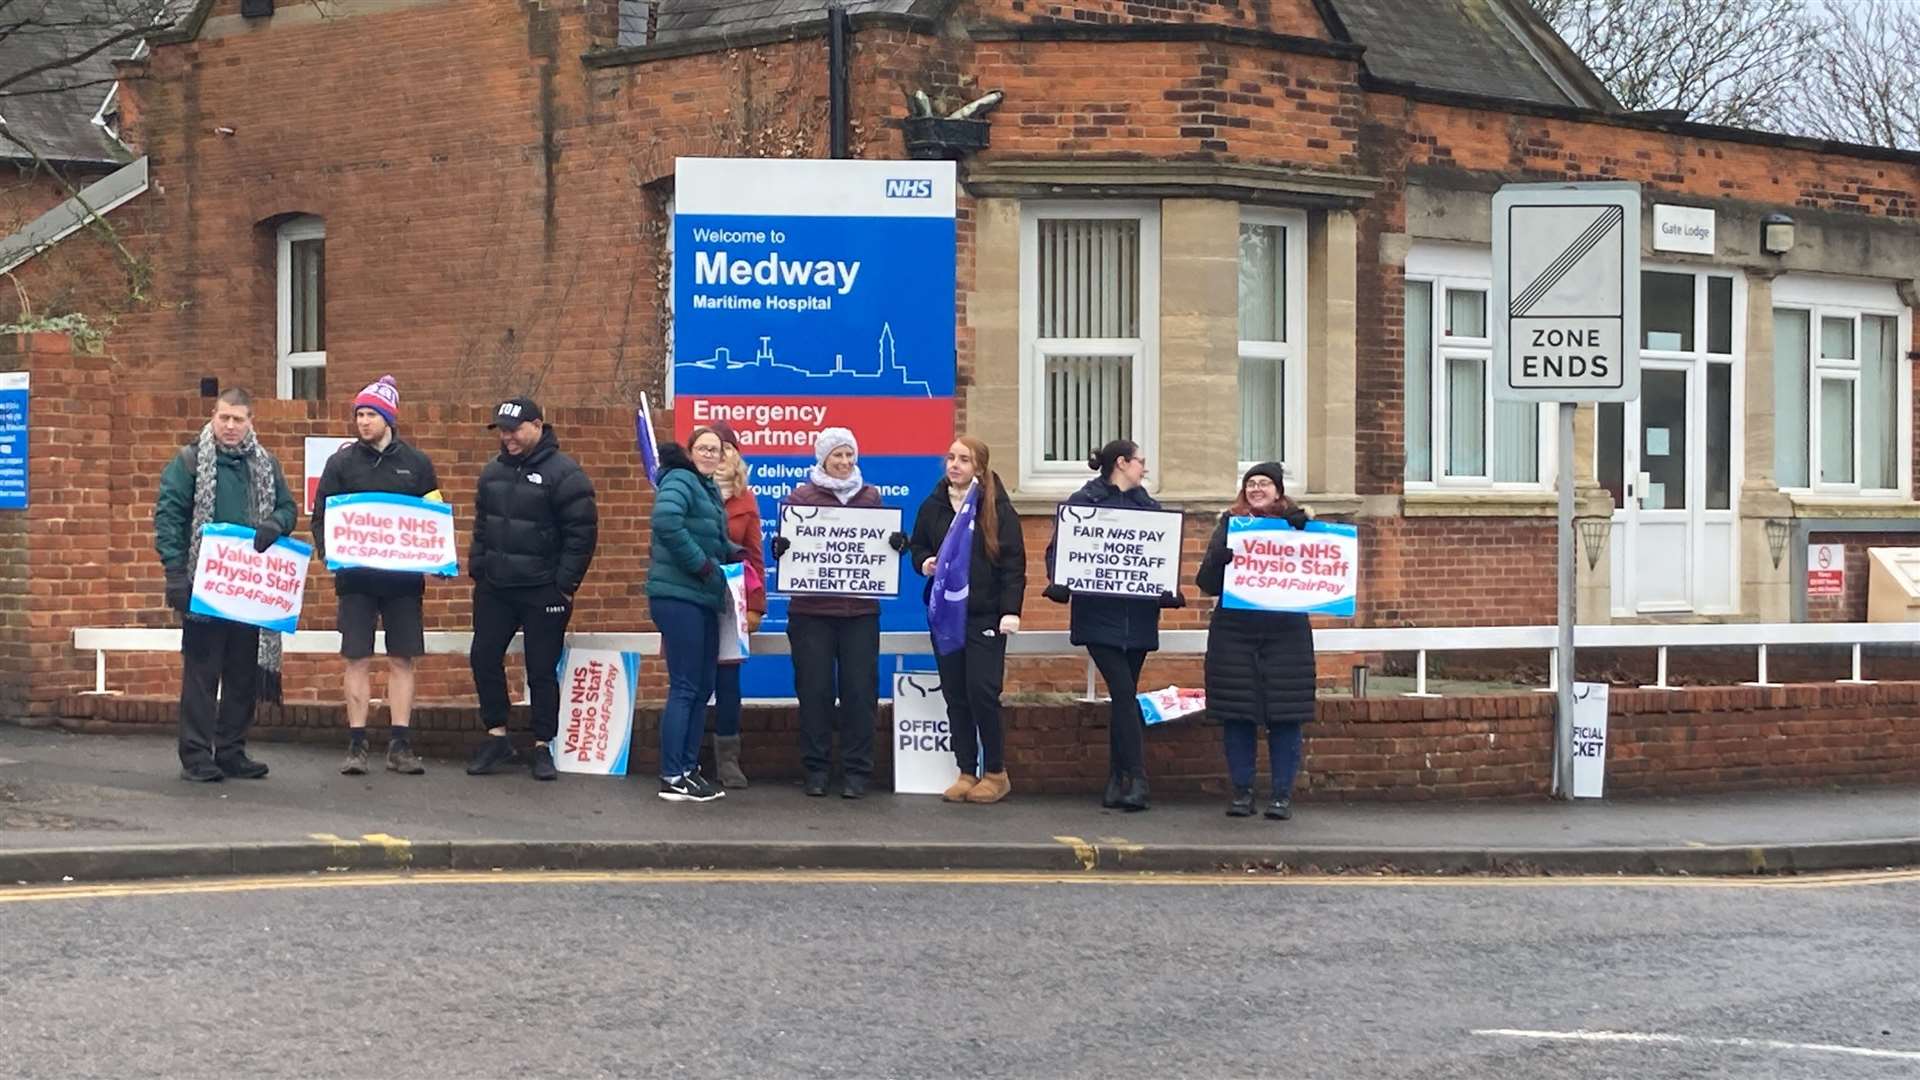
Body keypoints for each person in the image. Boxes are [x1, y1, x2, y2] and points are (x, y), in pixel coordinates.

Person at [152, 388, 297, 782]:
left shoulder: (266, 464)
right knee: (202, 673)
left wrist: (276, 524)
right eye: (224, 418)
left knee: (242, 674)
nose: (230, 426)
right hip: (204, 585)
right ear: (213, 416)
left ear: (251, 421)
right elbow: (169, 516)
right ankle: (196, 755)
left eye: (238, 419)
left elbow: (288, 508)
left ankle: (232, 750)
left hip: (248, 589)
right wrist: (176, 573)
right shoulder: (189, 462)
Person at [312, 376, 441, 777]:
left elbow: (433, 518)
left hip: (403, 583)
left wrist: (438, 558)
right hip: (357, 580)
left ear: (389, 417)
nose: (363, 422)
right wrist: (331, 555)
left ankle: (400, 745)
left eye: (370, 414)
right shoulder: (341, 463)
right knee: (357, 658)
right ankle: (356, 744)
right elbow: (322, 518)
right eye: (359, 414)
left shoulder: (418, 464)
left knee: (402, 659)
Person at [1043, 439, 1180, 812]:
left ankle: (1116, 780)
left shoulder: (1148, 508)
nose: (1145, 469)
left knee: (1125, 696)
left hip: (1137, 617)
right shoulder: (1083, 505)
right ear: (1122, 463)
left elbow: (1157, 555)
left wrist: (1168, 587)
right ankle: (1137, 779)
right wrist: (1059, 579)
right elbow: (1058, 551)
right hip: (1099, 617)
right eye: (1141, 462)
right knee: (1124, 694)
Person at [465, 397, 599, 782]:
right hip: (496, 587)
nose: (507, 437)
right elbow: (481, 527)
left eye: (514, 429)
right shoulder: (491, 473)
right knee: (483, 657)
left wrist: (564, 586)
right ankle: (496, 736)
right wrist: (480, 568)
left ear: (538, 426)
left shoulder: (565, 474)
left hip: (544, 590)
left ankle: (543, 745)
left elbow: (582, 534)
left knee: (541, 670)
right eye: (502, 430)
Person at [770, 427, 908, 799]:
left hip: (860, 612)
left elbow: (880, 552)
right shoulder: (801, 497)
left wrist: (897, 545)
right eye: (837, 456)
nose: (845, 462)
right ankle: (815, 769)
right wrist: (781, 549)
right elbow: (789, 550)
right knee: (814, 692)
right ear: (823, 459)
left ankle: (857, 771)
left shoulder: (871, 497)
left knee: (859, 693)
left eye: (850, 455)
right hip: (811, 612)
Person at [908, 436, 1025, 805]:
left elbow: (1013, 564)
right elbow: (918, 546)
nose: (954, 465)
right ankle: (965, 770)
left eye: (963, 459)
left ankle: (996, 772)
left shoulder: (997, 509)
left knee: (982, 691)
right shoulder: (933, 506)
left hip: (985, 615)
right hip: (945, 615)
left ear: (979, 467)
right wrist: (923, 562)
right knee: (955, 694)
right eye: (951, 458)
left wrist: (1010, 610)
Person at [1196, 462, 1316, 820]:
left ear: (1278, 491)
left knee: (1285, 716)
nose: (1256, 488)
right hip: (1235, 634)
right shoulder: (1229, 525)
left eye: (1264, 483)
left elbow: (1324, 570)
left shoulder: (1302, 525)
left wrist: (1303, 533)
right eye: (1250, 483)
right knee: (1237, 715)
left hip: (1286, 635)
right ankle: (1242, 793)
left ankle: (1281, 795)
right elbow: (1206, 583)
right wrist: (1220, 559)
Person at [645, 427, 740, 803]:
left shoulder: (706, 488)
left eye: (715, 450)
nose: (709, 454)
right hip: (678, 596)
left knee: (702, 687)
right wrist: (702, 566)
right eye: (702, 448)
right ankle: (672, 774)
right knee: (686, 686)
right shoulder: (682, 480)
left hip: (701, 597)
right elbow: (666, 523)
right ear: (690, 452)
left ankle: (687, 769)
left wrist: (735, 553)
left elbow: (710, 536)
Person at [709, 422, 765, 789]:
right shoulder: (686, 489)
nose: (720, 456)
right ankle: (683, 758)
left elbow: (756, 558)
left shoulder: (746, 500)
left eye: (726, 448)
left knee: (729, 683)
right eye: (712, 448)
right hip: (691, 597)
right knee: (689, 682)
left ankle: (728, 760)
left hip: (731, 603)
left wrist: (755, 607)